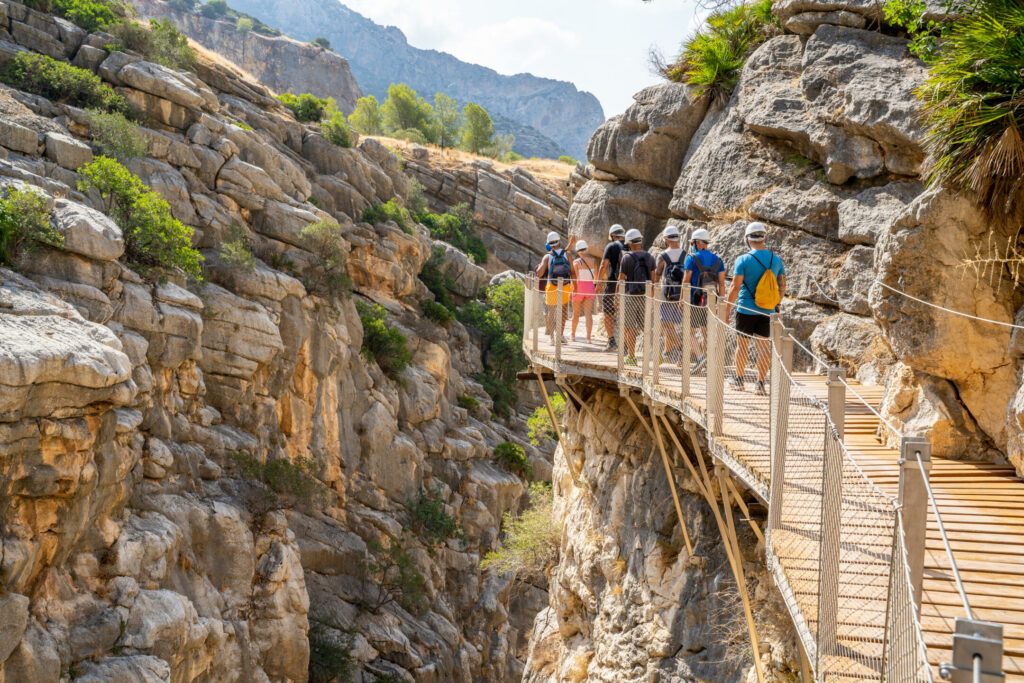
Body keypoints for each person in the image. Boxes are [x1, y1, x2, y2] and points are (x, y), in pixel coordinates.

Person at [726, 222, 786, 396]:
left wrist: (727, 308)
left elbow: (735, 287)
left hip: (745, 308)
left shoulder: (743, 259)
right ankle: (760, 384)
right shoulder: (776, 259)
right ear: (764, 237)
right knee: (763, 347)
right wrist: (776, 304)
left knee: (742, 346)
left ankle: (738, 380)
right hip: (767, 310)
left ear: (747, 238)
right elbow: (782, 285)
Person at [682, 227, 726, 369]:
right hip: (711, 300)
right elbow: (721, 284)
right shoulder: (718, 260)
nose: (692, 246)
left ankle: (701, 357)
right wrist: (722, 303)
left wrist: (682, 299)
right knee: (706, 330)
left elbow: (686, 279)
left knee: (688, 331)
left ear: (698, 243)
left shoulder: (691, 258)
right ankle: (708, 359)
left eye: (693, 243)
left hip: (695, 300)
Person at [617, 228, 655, 364]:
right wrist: (652, 298)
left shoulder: (626, 257)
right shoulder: (650, 257)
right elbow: (653, 279)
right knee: (647, 327)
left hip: (630, 296)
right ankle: (655, 355)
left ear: (629, 242)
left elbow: (621, 279)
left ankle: (632, 357)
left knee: (630, 327)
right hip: (645, 297)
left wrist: (617, 296)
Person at [654, 225, 687, 362]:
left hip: (666, 295)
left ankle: (680, 349)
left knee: (666, 324)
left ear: (666, 239)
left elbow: (657, 275)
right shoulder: (685, 254)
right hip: (682, 295)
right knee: (673, 324)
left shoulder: (662, 256)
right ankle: (667, 352)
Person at [535, 231, 574, 342]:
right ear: (558, 241)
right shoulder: (568, 254)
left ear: (549, 243)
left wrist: (538, 268)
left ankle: (552, 338)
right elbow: (572, 271)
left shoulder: (547, 256)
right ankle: (560, 336)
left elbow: (540, 273)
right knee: (563, 311)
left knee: (551, 312)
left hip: (551, 286)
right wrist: (574, 285)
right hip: (565, 286)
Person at [597, 224, 626, 351]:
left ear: (612, 236)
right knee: (625, 314)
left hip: (613, 284)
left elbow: (604, 265)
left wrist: (598, 283)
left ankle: (611, 341)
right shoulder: (630, 244)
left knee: (608, 313)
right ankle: (626, 344)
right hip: (628, 285)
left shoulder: (611, 246)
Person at [571, 240, 598, 343]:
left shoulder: (576, 262)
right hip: (590, 288)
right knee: (588, 314)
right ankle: (588, 338)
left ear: (577, 251)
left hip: (578, 288)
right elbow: (595, 277)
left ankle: (573, 335)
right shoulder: (593, 261)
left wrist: (572, 290)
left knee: (576, 314)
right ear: (586, 249)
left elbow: (575, 278)